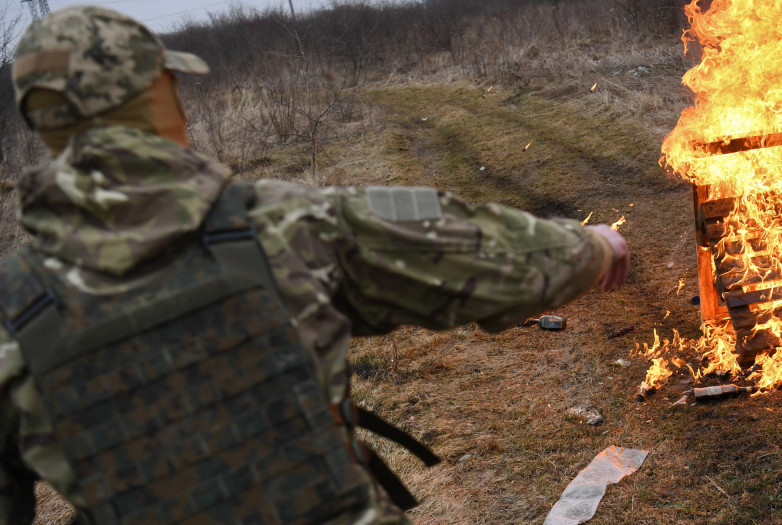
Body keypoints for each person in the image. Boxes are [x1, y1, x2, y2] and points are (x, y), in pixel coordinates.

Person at [0, 6, 629, 524]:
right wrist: (592, 247)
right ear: (156, 93)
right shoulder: (284, 226)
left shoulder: (11, 312)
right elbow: (472, 253)